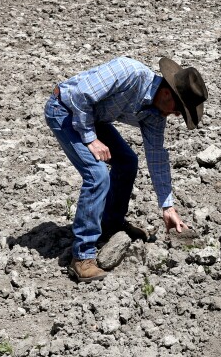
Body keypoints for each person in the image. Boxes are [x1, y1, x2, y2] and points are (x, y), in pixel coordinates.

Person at [45, 56, 208, 282]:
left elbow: (157, 157)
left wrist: (167, 206)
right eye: (178, 110)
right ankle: (81, 257)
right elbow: (79, 95)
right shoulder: (129, 72)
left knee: (127, 162)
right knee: (97, 174)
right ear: (167, 92)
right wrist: (90, 139)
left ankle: (111, 224)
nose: (176, 115)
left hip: (93, 118)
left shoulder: (155, 115)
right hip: (64, 109)